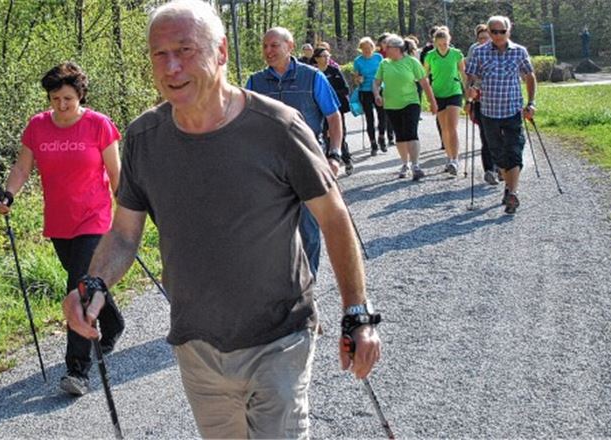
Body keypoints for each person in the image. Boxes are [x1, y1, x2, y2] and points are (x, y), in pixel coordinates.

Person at [63, 1, 382, 437]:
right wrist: (94, 282)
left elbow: (334, 218)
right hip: (196, 343)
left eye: (185, 50)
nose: (171, 66)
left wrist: (357, 313)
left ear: (222, 52)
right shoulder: (143, 138)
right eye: (160, 54)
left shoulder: (279, 128)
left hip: (280, 336)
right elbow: (123, 234)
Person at [0, 62, 125, 396]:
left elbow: (117, 173)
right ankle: (112, 322)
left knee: (79, 288)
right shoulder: (38, 126)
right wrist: (9, 193)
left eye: (68, 98)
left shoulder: (98, 125)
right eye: (55, 99)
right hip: (60, 221)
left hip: (95, 218)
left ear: (80, 95)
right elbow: (22, 167)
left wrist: (128, 214)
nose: (62, 105)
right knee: (86, 281)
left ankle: (77, 370)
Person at [244, 26, 348, 279]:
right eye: (265, 46)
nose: (268, 51)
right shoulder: (254, 82)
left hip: (307, 161)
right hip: (267, 165)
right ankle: (284, 283)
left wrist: (334, 154)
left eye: (274, 45)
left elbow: (333, 117)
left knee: (308, 228)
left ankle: (308, 282)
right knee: (273, 228)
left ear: (289, 47)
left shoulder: (312, 77)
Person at [466, 15, 537, 214]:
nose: (498, 35)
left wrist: (531, 103)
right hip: (488, 111)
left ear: (509, 31)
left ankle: (513, 192)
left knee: (514, 151)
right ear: (488, 32)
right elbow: (471, 77)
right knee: (498, 154)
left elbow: (529, 76)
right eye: (494, 32)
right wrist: (470, 91)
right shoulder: (479, 53)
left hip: (513, 110)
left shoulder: (519, 52)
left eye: (502, 31)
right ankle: (508, 186)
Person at [374, 35, 437, 181]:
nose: (385, 50)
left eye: (387, 47)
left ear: (396, 49)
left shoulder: (412, 62)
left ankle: (415, 165)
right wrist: (377, 94)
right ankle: (405, 164)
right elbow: (376, 82)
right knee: (400, 136)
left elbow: (424, 83)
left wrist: (432, 101)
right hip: (391, 104)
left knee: (411, 132)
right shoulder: (384, 64)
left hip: (411, 102)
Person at [423, 28, 468, 175]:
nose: (443, 46)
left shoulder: (456, 54)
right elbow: (424, 76)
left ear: (449, 41)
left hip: (454, 91)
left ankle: (455, 160)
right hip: (438, 93)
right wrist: (429, 97)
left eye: (445, 44)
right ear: (435, 43)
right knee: (444, 128)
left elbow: (463, 73)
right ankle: (449, 158)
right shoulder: (430, 56)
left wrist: (467, 92)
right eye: (440, 44)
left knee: (452, 126)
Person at [466, 23, 499, 183]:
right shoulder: (475, 53)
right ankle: (490, 170)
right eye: (480, 39)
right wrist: (468, 99)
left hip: (500, 101)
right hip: (480, 100)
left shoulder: (502, 52)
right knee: (486, 136)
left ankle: (500, 166)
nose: (483, 41)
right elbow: (469, 78)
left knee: (501, 136)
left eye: (486, 38)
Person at [313, 47, 353, 174]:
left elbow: (345, 89)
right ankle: (325, 165)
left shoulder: (334, 71)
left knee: (339, 135)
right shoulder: (312, 73)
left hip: (335, 109)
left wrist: (329, 95)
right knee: (322, 136)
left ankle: (347, 160)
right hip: (318, 111)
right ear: (316, 58)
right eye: (323, 56)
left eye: (328, 56)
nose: (327, 58)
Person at [353, 37, 388, 155]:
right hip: (365, 91)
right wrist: (359, 80)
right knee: (370, 118)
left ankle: (382, 137)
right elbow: (356, 79)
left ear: (373, 48)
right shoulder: (358, 61)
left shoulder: (379, 57)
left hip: (379, 89)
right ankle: (373, 143)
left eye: (369, 48)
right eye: (364, 49)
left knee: (382, 115)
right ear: (361, 49)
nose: (367, 50)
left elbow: (384, 72)